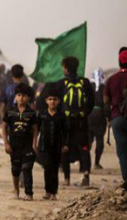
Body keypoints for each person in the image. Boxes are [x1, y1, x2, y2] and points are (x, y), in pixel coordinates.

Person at [51, 57, 95, 188]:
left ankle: (66, 178)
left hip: (66, 120)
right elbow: (91, 102)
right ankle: (86, 174)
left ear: (65, 68)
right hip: (81, 120)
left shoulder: (61, 83)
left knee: (65, 147)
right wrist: (84, 114)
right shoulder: (85, 82)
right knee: (84, 147)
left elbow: (56, 103)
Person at [103, 47, 127, 190]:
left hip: (117, 119)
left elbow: (105, 101)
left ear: (119, 61)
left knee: (123, 152)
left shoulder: (111, 79)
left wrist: (109, 119)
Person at [1, 83, 38, 201]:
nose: (21, 98)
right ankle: (16, 191)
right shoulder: (10, 111)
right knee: (15, 170)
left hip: (27, 146)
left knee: (27, 168)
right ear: (15, 97)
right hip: (14, 146)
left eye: (24, 96)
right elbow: (4, 127)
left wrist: (34, 144)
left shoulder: (31, 113)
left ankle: (29, 193)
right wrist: (6, 143)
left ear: (28, 98)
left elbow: (35, 129)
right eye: (19, 95)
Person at [37, 86, 68, 200]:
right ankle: (47, 191)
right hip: (44, 146)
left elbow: (65, 131)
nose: (52, 101)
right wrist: (34, 143)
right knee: (47, 167)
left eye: (54, 99)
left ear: (58, 101)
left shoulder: (61, 116)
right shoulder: (42, 115)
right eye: (50, 99)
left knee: (54, 169)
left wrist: (65, 145)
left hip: (57, 147)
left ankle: (53, 192)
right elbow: (36, 129)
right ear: (46, 101)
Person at [87, 68, 107, 170]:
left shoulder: (88, 87)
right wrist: (109, 117)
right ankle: (96, 163)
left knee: (88, 141)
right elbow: (106, 104)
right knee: (100, 141)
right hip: (100, 117)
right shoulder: (104, 88)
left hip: (89, 117)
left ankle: (86, 164)